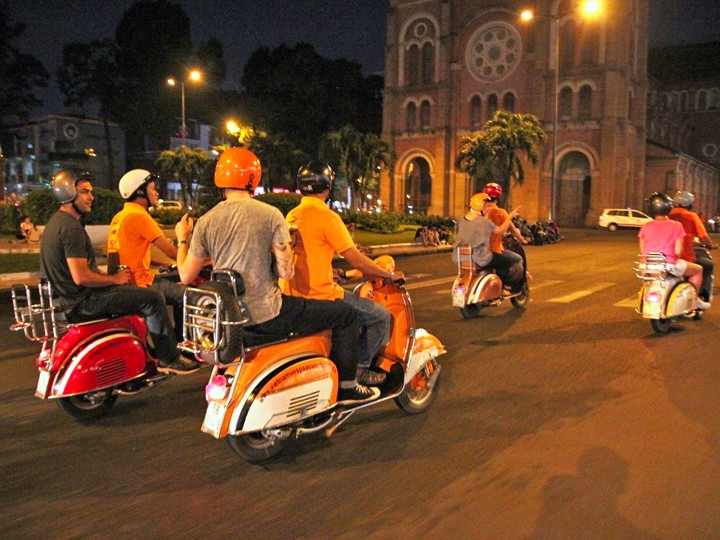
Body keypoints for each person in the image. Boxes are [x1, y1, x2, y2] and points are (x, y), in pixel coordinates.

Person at [175, 148, 379, 405]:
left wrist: (183, 237)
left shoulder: (206, 221)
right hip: (268, 315)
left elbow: (185, 274)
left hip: (230, 319)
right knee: (346, 316)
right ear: (253, 178)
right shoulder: (270, 215)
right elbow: (286, 272)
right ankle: (348, 388)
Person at [40, 169, 200, 374]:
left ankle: (159, 349)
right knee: (153, 298)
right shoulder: (71, 228)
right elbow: (81, 276)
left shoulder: (56, 224)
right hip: (82, 301)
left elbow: (84, 269)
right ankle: (170, 357)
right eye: (84, 192)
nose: (91, 197)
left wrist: (115, 276)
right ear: (68, 194)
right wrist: (114, 279)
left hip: (67, 300)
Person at [281, 162, 395, 387]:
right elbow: (355, 258)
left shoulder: (292, 215)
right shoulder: (327, 216)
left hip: (293, 294)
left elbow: (305, 255)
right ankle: (360, 369)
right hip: (321, 295)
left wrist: (335, 272)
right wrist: (386, 275)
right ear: (327, 186)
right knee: (381, 317)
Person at [107, 169, 188, 341]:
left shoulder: (120, 215)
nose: (156, 192)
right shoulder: (140, 216)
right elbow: (172, 251)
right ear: (140, 192)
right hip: (140, 281)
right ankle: (179, 345)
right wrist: (186, 244)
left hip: (125, 280)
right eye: (152, 188)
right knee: (187, 296)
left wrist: (157, 262)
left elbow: (127, 251)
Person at [638, 192, 709, 310]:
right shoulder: (676, 225)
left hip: (648, 266)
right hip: (669, 265)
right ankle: (693, 302)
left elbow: (642, 249)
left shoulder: (645, 226)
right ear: (669, 207)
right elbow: (678, 251)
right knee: (698, 270)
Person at [453, 192, 521, 276]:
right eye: (487, 206)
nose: (489, 209)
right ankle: (501, 287)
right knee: (506, 262)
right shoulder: (484, 221)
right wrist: (510, 216)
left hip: (460, 259)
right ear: (479, 207)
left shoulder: (461, 220)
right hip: (480, 258)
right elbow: (501, 230)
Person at [669, 190, 717, 302]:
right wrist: (711, 245)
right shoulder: (691, 216)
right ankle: (700, 295)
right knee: (707, 265)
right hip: (683, 256)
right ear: (688, 204)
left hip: (665, 257)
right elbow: (703, 237)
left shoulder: (667, 215)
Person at [479, 183, 528, 290]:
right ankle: (504, 286)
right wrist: (523, 240)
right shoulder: (500, 212)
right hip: (492, 252)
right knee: (517, 259)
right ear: (498, 198)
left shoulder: (479, 212)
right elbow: (514, 230)